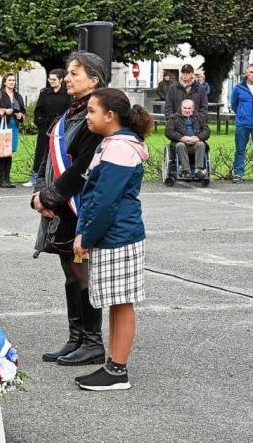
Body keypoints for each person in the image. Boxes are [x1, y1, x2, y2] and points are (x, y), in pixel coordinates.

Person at [73, 88, 152, 391]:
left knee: (121, 302)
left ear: (110, 115)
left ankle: (117, 370)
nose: (87, 116)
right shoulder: (112, 143)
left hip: (117, 235)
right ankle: (114, 366)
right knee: (118, 302)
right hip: (113, 233)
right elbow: (96, 197)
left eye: (92, 111)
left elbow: (105, 200)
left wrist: (87, 237)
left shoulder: (119, 148)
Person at [33, 51, 107, 366]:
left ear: (94, 79)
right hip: (59, 207)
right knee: (70, 273)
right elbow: (48, 160)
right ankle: (76, 338)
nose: (67, 78)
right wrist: (38, 193)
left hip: (77, 207)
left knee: (83, 273)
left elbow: (83, 167)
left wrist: (50, 197)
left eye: (74, 73)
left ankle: (92, 342)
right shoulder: (72, 111)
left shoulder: (96, 114)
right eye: (68, 73)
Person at [24, 69, 71, 187]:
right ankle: (36, 176)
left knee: (60, 150)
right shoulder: (44, 93)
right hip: (45, 126)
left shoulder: (68, 94)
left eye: (54, 79)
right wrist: (41, 122)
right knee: (41, 151)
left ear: (61, 79)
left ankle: (58, 175)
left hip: (61, 126)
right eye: (50, 79)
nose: (51, 82)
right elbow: (38, 110)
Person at [0, 72, 26, 188]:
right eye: (9, 80)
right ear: (4, 82)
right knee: (2, 152)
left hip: (14, 125)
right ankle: (2, 179)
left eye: (13, 80)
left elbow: (24, 112)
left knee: (9, 152)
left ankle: (7, 179)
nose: (12, 82)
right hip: (2, 124)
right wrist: (4, 111)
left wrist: (20, 115)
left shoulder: (18, 96)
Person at [165, 99, 210, 179]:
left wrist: (198, 138)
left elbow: (206, 131)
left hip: (195, 144)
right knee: (180, 145)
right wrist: (181, 138)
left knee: (201, 144)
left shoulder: (199, 117)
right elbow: (168, 132)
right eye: (185, 108)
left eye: (189, 108)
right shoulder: (174, 118)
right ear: (181, 107)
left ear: (193, 108)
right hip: (180, 144)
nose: (187, 110)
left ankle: (199, 170)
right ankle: (185, 171)